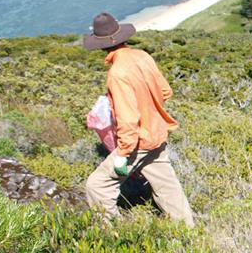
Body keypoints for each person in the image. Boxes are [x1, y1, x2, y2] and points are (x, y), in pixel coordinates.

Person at [83, 12, 194, 227]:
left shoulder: (117, 73)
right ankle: (188, 233)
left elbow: (128, 119)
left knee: (97, 186)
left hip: (138, 142)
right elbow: (164, 91)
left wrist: (123, 155)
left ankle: (114, 233)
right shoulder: (143, 55)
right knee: (168, 188)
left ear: (100, 45)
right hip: (157, 134)